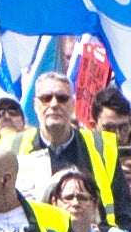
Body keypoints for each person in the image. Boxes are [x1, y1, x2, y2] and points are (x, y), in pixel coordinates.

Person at [10, 73, 123, 220]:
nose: (54, 104)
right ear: (35, 105)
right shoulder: (12, 146)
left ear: (73, 105)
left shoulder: (103, 146)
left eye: (62, 98)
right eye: (46, 98)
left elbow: (123, 212)